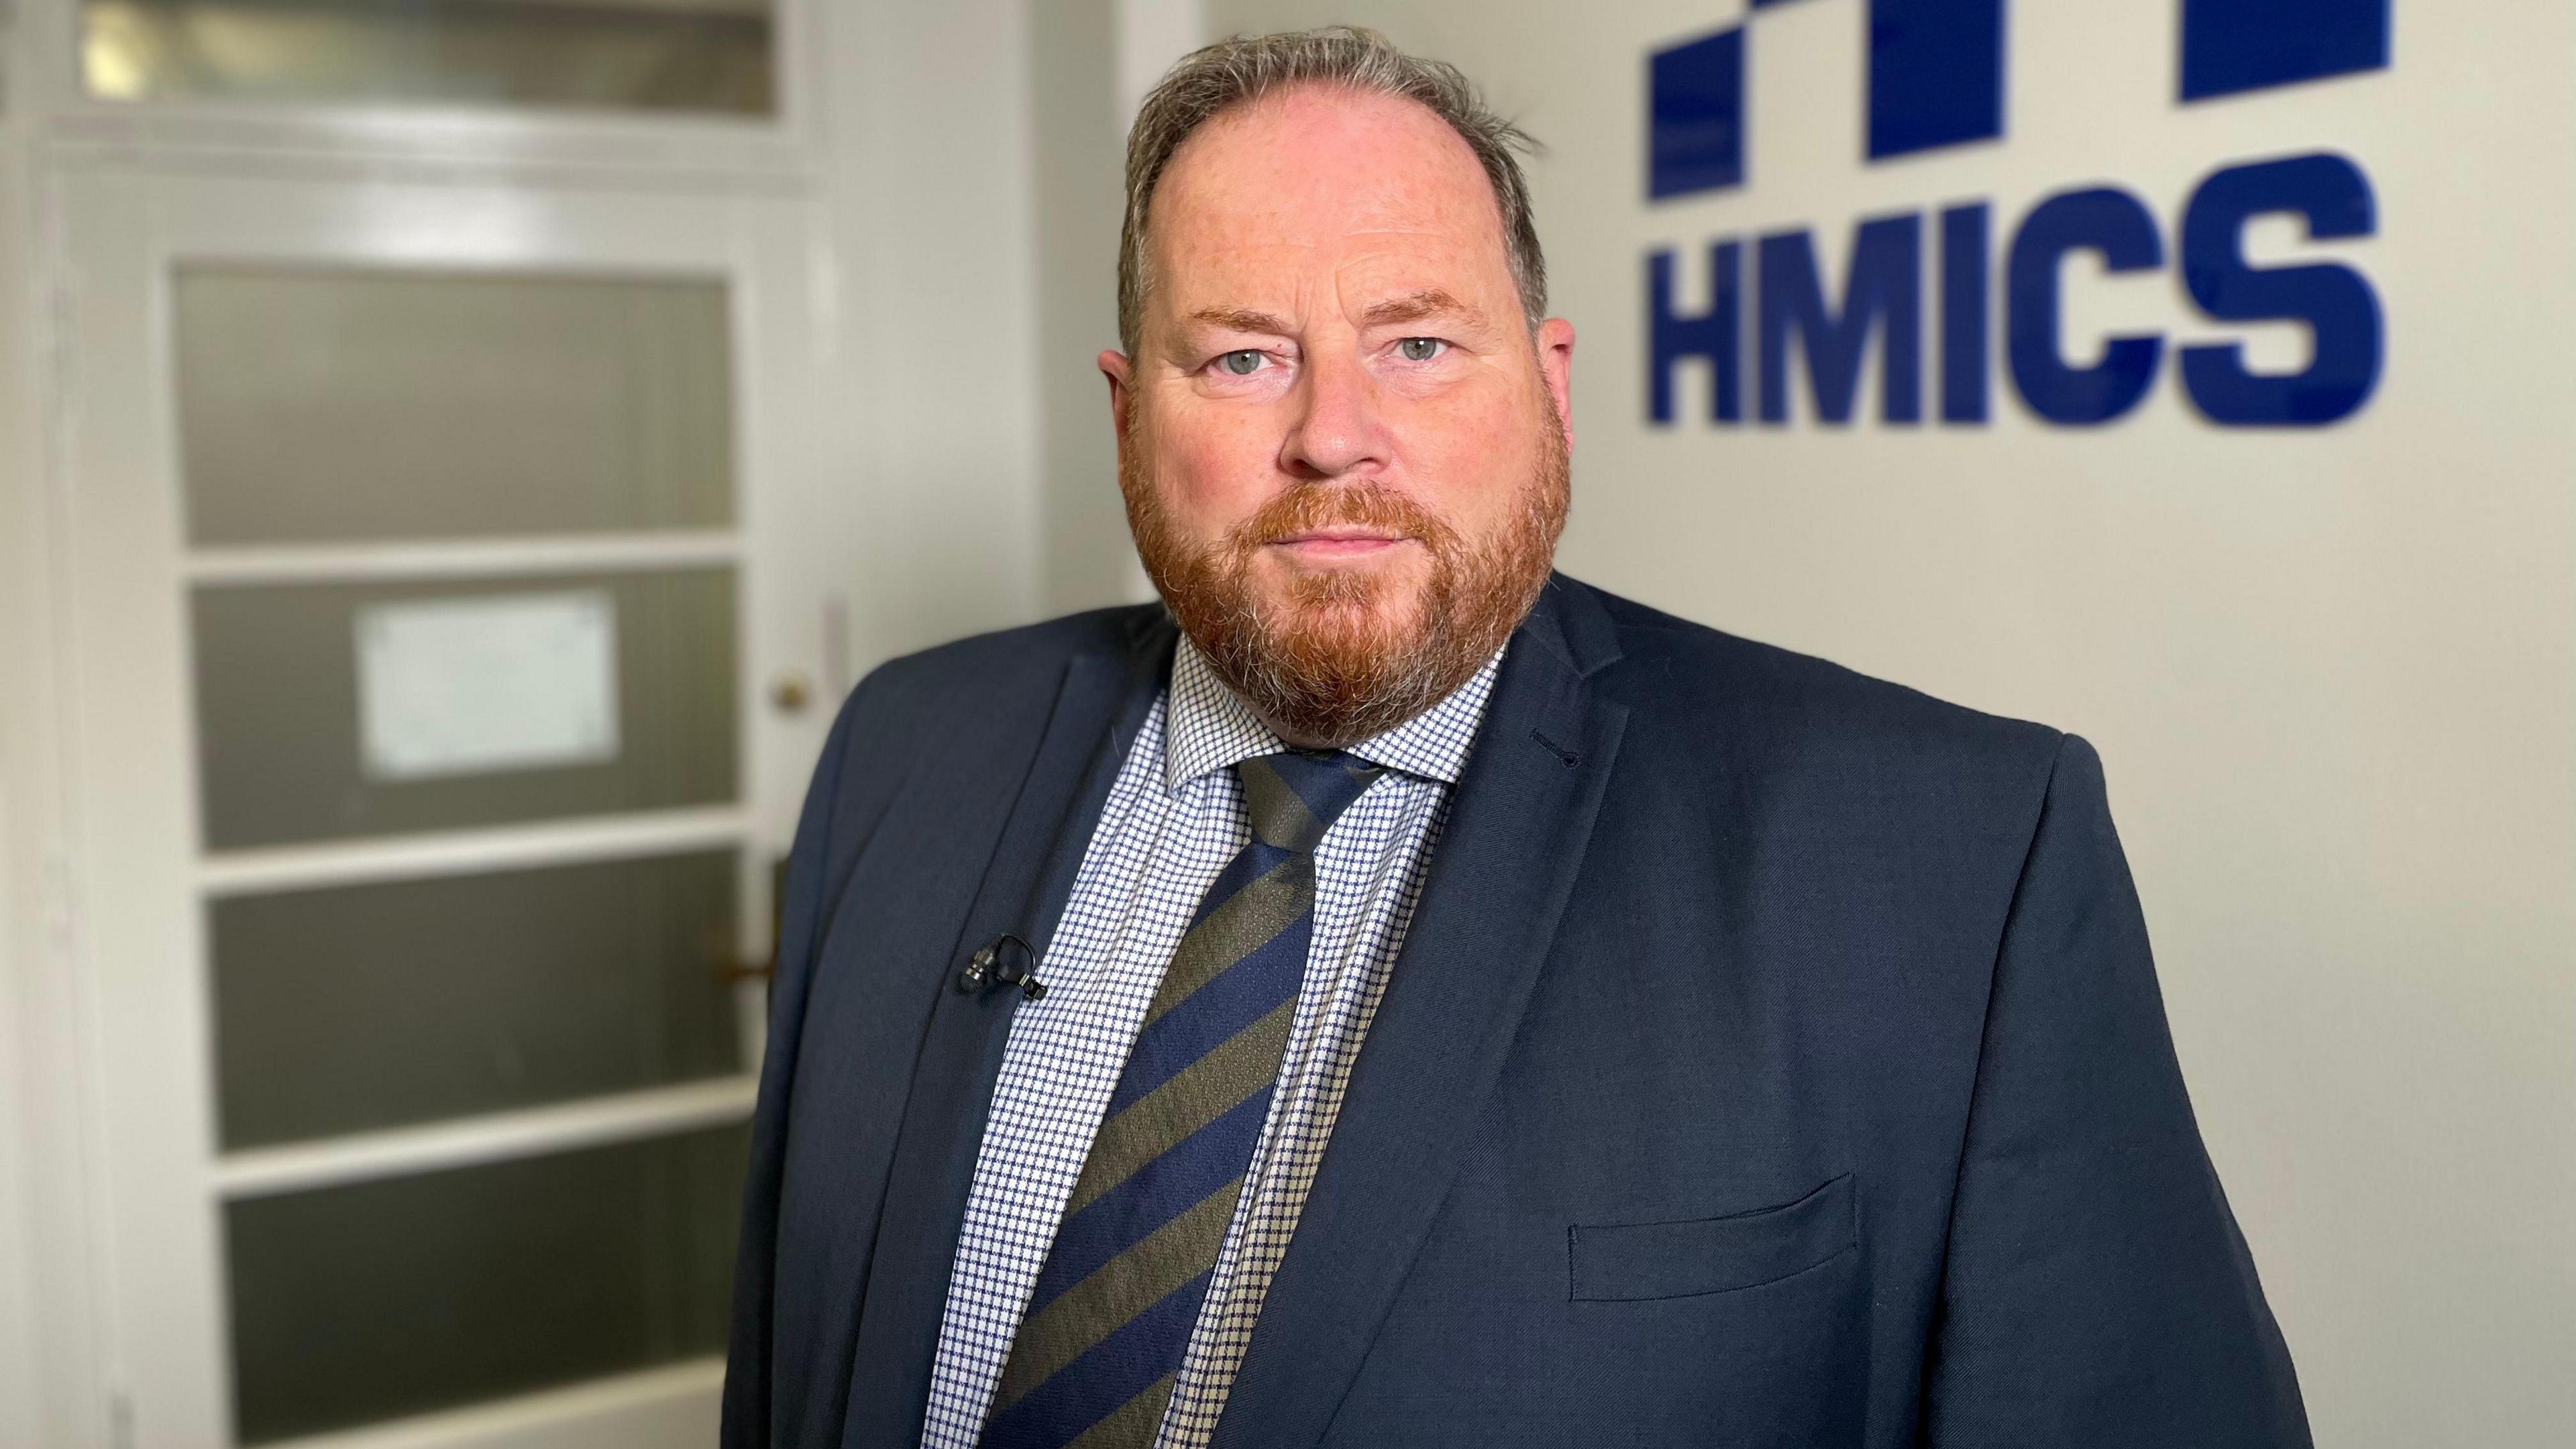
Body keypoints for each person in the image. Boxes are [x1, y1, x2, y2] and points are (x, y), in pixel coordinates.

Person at [722, 26, 2309, 1449]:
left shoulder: (1949, 861)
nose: (1332, 433)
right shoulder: (904, 754)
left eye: (1418, 344)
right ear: (1130, 412)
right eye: (1243, 355)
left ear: (1549, 388)